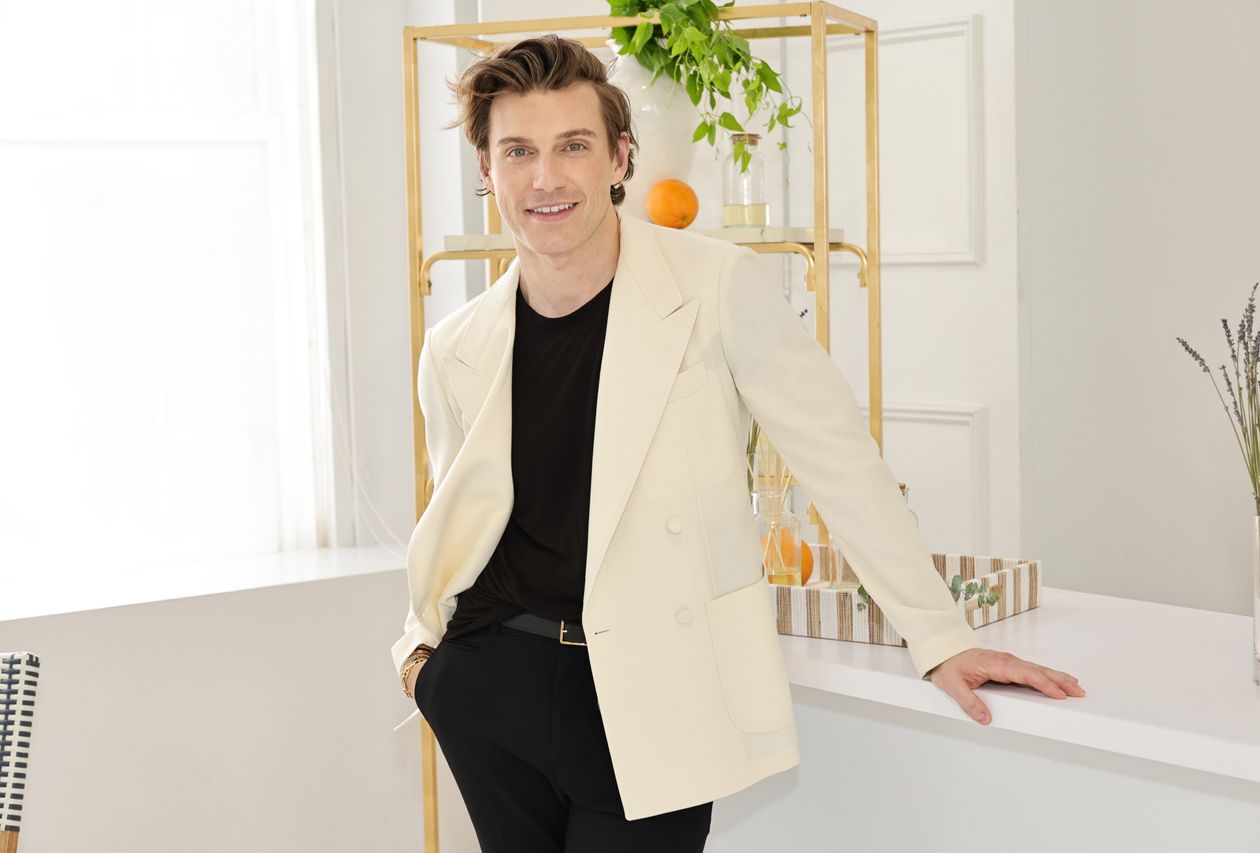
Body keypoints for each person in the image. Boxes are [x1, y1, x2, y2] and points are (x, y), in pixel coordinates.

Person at [392, 33, 1085, 852]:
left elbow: (839, 461)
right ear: (486, 173)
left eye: (572, 146)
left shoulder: (714, 285)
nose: (546, 177)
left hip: (657, 686)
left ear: (619, 158)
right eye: (518, 152)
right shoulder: (456, 345)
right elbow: (459, 521)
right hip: (490, 684)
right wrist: (425, 659)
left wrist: (941, 635)